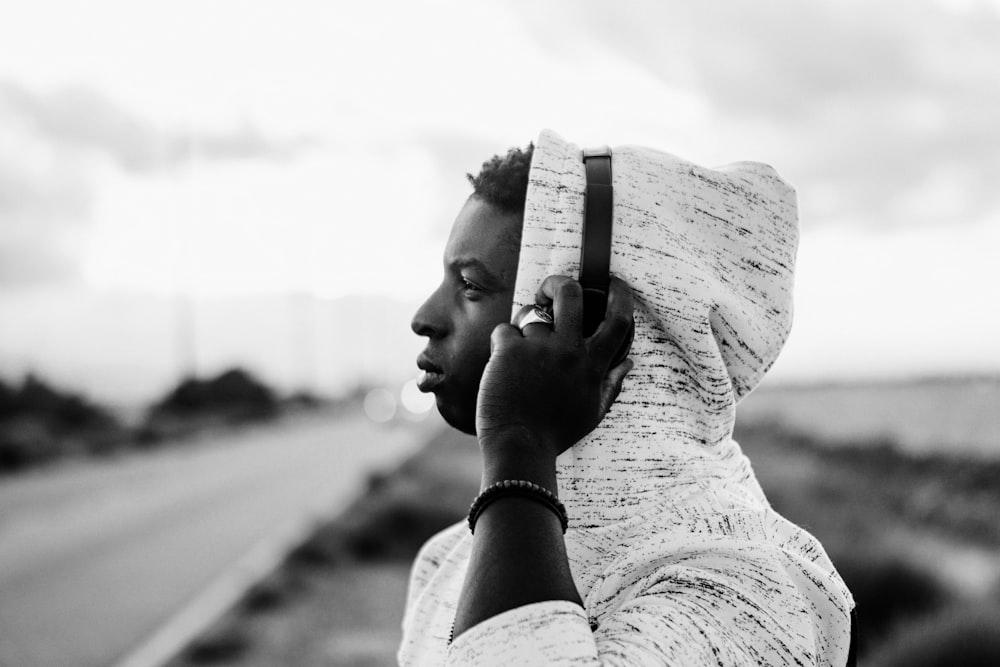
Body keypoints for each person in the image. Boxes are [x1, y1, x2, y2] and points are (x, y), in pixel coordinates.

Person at [400, 129, 855, 665]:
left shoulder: (748, 593)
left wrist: (520, 442)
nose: (423, 317)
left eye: (470, 286)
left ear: (588, 321)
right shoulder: (446, 560)